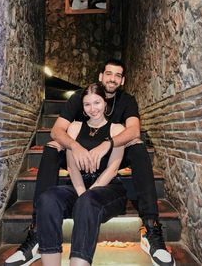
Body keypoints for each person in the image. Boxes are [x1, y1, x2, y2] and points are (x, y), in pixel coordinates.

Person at [4, 59, 175, 266]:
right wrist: (75, 146)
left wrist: (108, 144)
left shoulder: (127, 101)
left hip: (112, 156)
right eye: (108, 74)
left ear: (122, 81)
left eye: (117, 75)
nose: (112, 78)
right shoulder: (79, 97)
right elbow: (57, 130)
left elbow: (133, 131)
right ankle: (39, 231)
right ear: (101, 76)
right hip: (79, 156)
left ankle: (151, 228)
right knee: (51, 147)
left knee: (138, 147)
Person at [37, 83, 127, 266]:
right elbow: (72, 167)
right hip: (79, 185)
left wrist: (86, 196)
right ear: (83, 107)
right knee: (47, 199)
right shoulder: (75, 128)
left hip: (107, 188)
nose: (92, 109)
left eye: (97, 102)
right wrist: (81, 194)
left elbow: (112, 168)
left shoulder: (117, 129)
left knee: (87, 202)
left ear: (105, 103)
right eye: (87, 104)